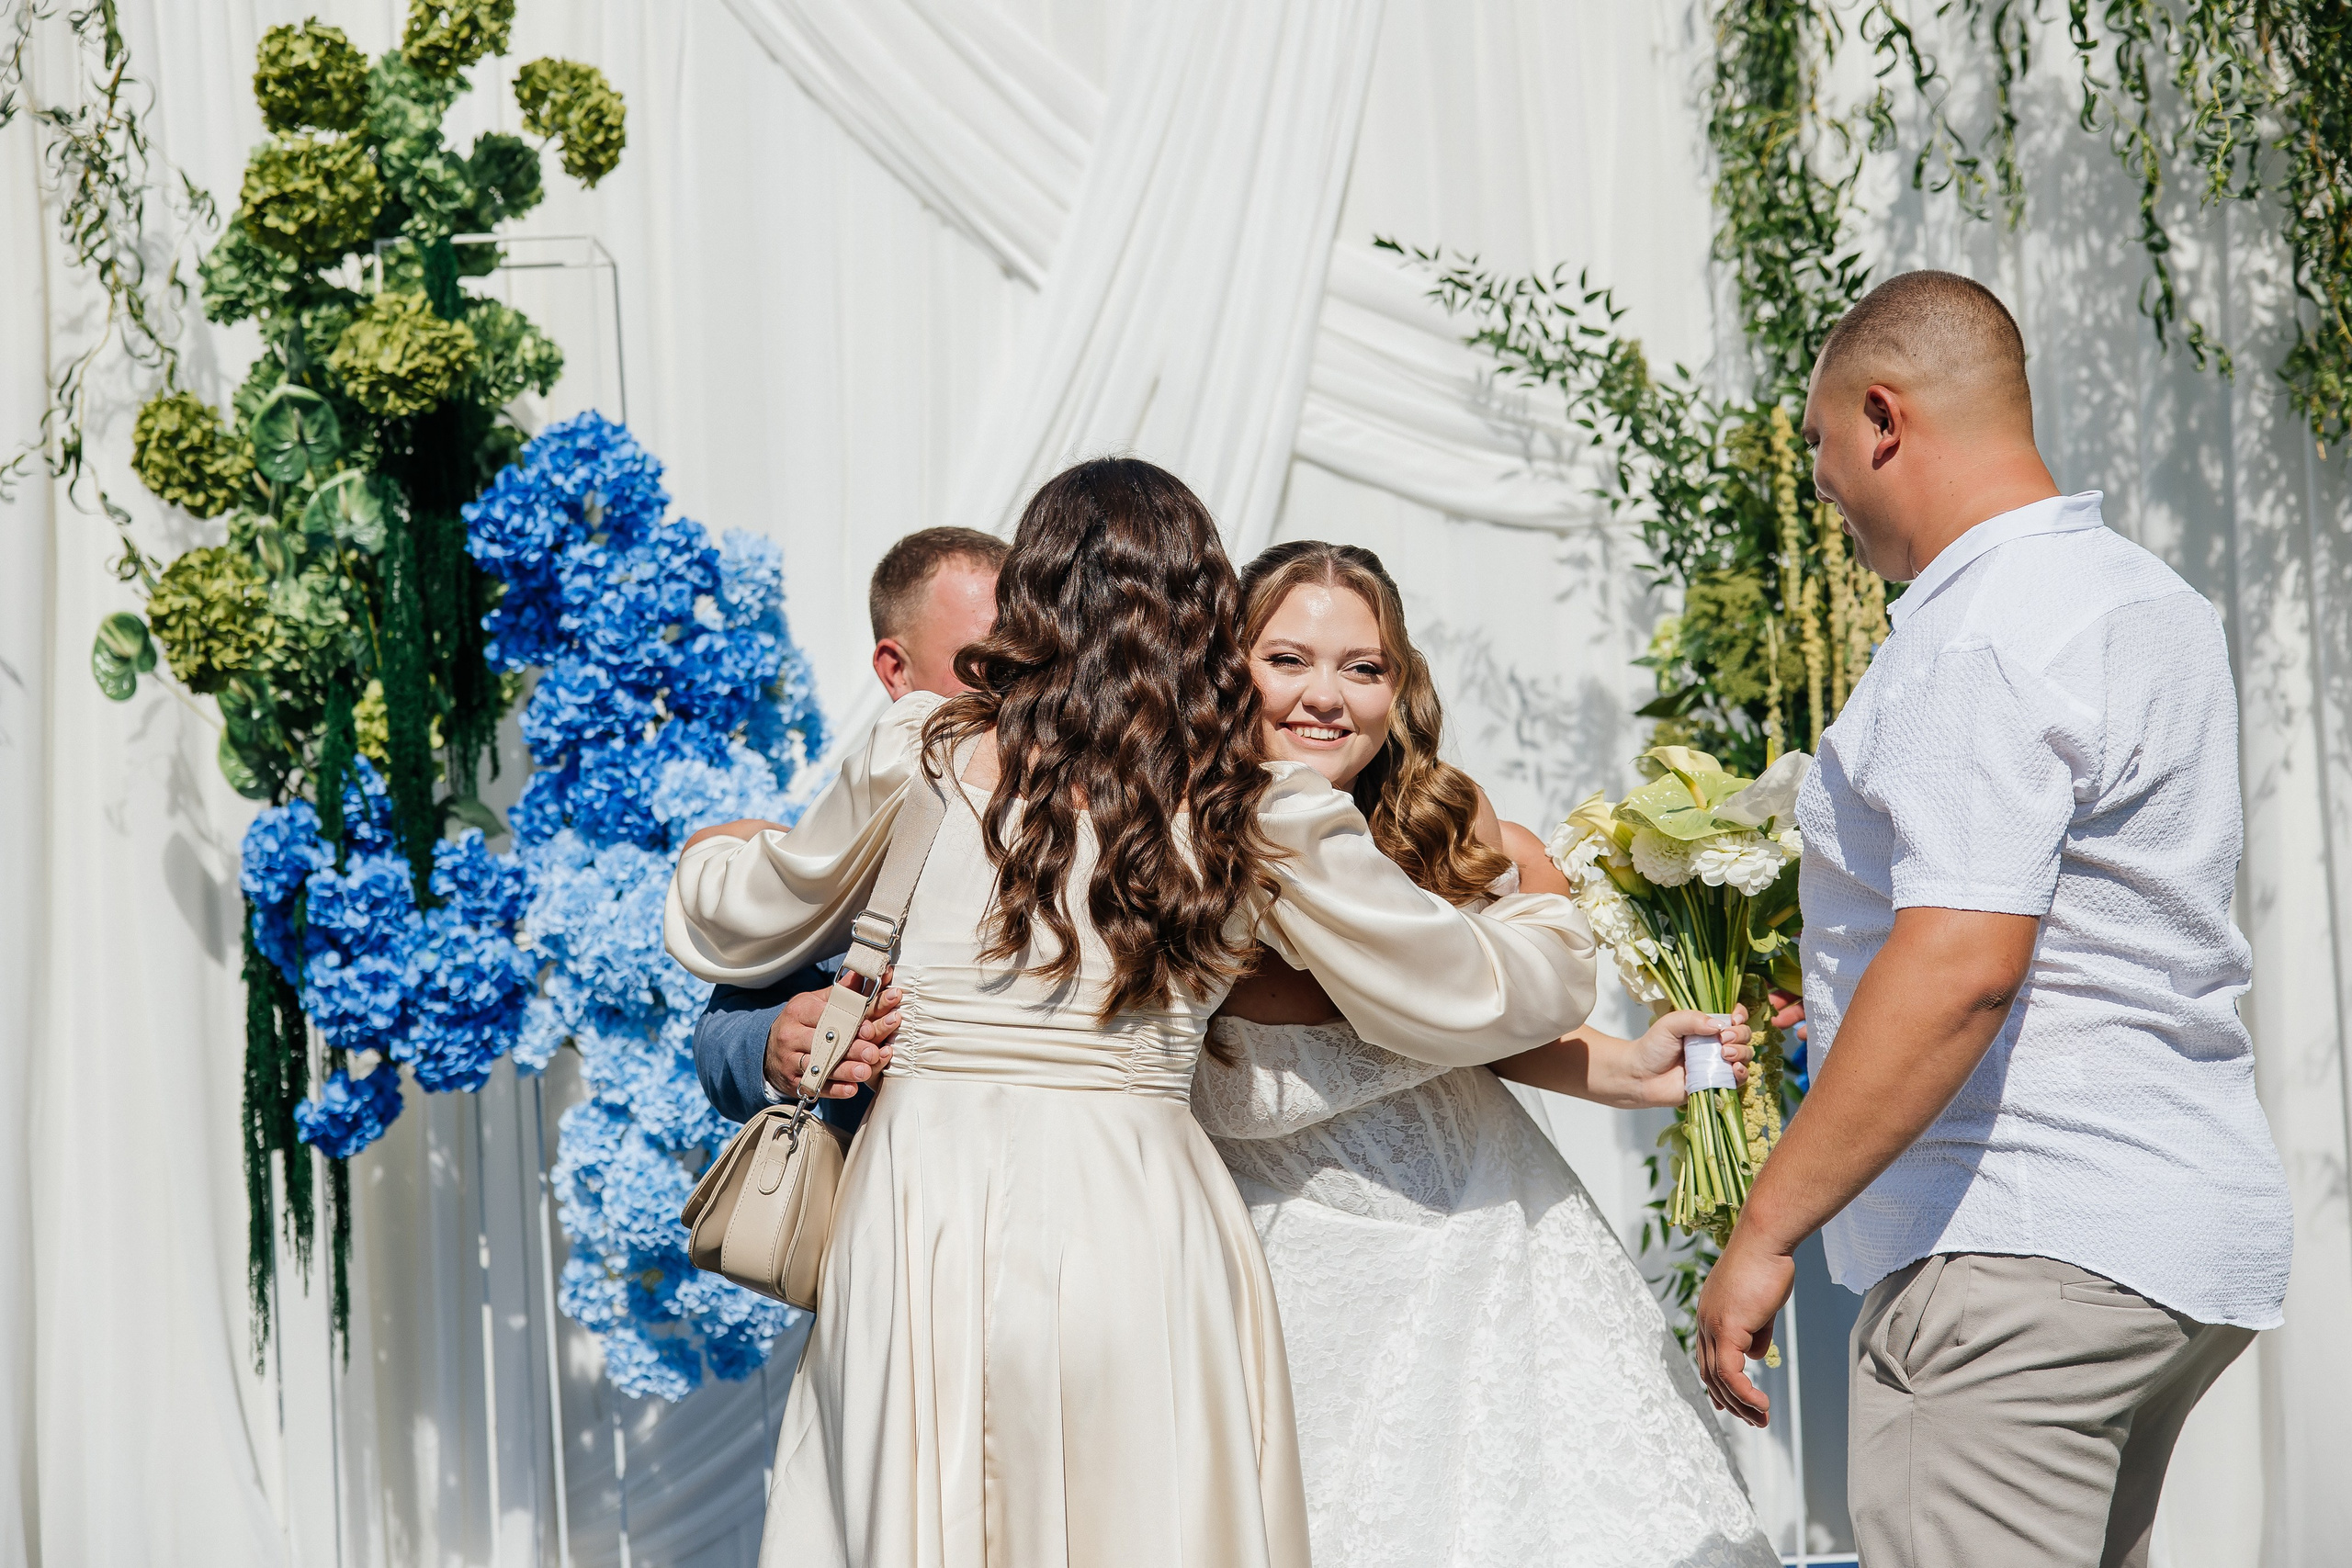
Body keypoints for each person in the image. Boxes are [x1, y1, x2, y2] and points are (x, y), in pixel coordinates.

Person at [665, 459, 1596, 1568]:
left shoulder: (922, 749)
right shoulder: (1256, 802)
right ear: (1207, 608)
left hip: (924, 1208)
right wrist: (1554, 927)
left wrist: (705, 856)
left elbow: (733, 921)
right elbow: (1470, 990)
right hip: (1139, 1211)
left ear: (1033, 599)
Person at [1691, 271, 2293, 1568]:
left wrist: (1764, 1227)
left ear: (1885, 417)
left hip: (2018, 1233)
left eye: (1819, 447)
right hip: (2172, 1232)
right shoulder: (2151, 601)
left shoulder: (1974, 637)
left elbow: (1962, 964)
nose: (1825, 488)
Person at [1190, 540, 1779, 1568]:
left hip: (1497, 1251)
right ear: (1224, 669)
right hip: (1280, 1290)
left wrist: (1637, 1065)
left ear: (1399, 688)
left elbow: (1495, 1039)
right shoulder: (1162, 866)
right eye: (1286, 660)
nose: (1326, 697)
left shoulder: (1465, 849)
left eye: (1363, 668)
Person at [692, 525, 1008, 1133]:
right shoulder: (850, 830)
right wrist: (772, 1042)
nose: (1013, 684)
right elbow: (718, 1034)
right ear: (896, 669)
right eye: (985, 660)